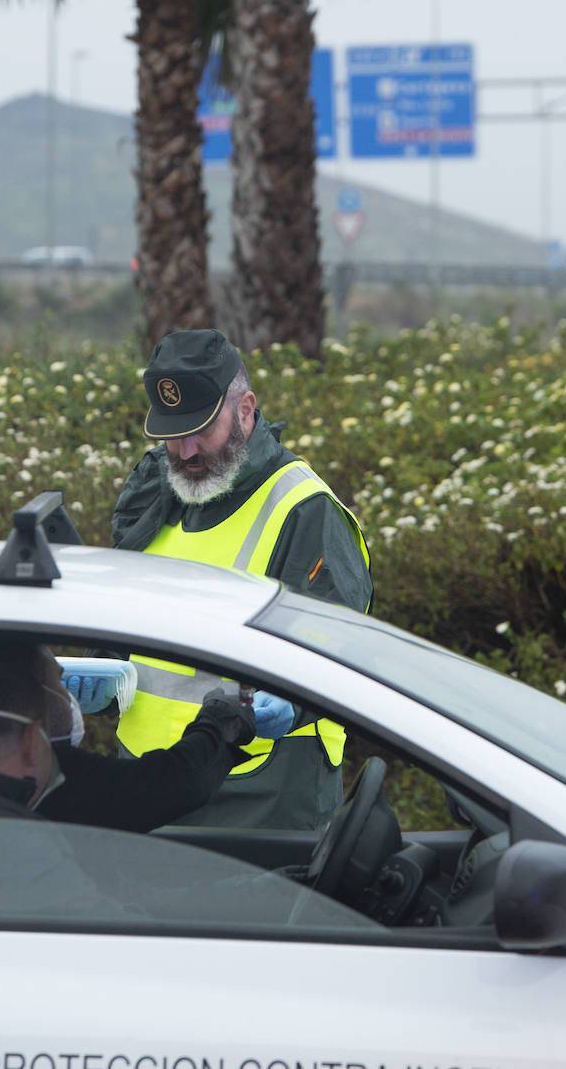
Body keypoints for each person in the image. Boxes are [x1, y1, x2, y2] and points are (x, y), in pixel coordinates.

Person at [104, 327, 372, 831]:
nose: (183, 452)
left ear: (245, 410)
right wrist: (98, 675)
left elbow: (342, 658)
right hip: (150, 791)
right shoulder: (153, 495)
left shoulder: (304, 510)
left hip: (258, 799)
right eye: (171, 433)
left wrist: (294, 704)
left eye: (201, 429)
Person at [0, 638, 256, 832]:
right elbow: (169, 785)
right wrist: (220, 722)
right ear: (31, 742)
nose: (70, 695)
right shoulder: (19, 844)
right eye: (60, 684)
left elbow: (164, 784)